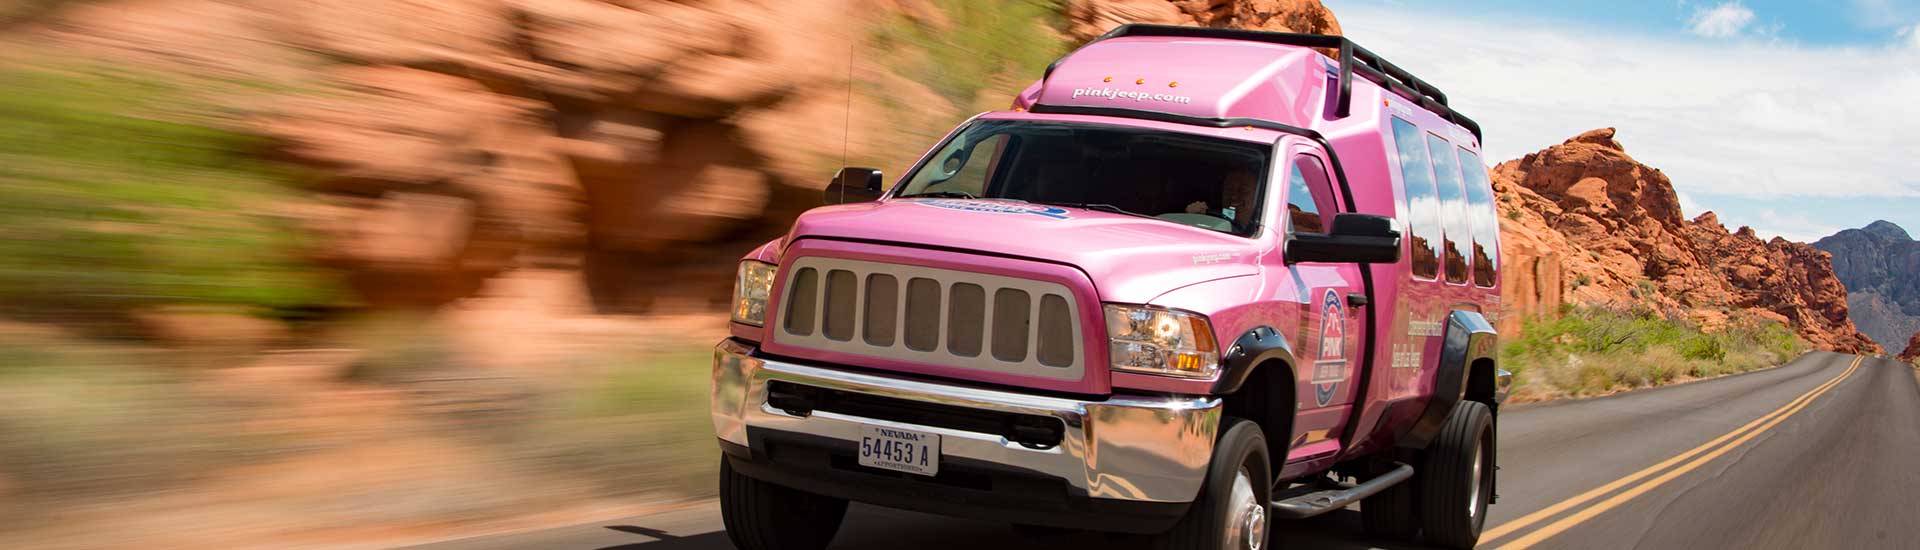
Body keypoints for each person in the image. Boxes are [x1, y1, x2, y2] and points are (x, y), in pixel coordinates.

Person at [1185, 168, 1260, 227]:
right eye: (1229, 189)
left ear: (1257, 196)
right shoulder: (1209, 221)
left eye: (1243, 190)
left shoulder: (1262, 231)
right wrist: (1191, 218)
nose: (1234, 196)